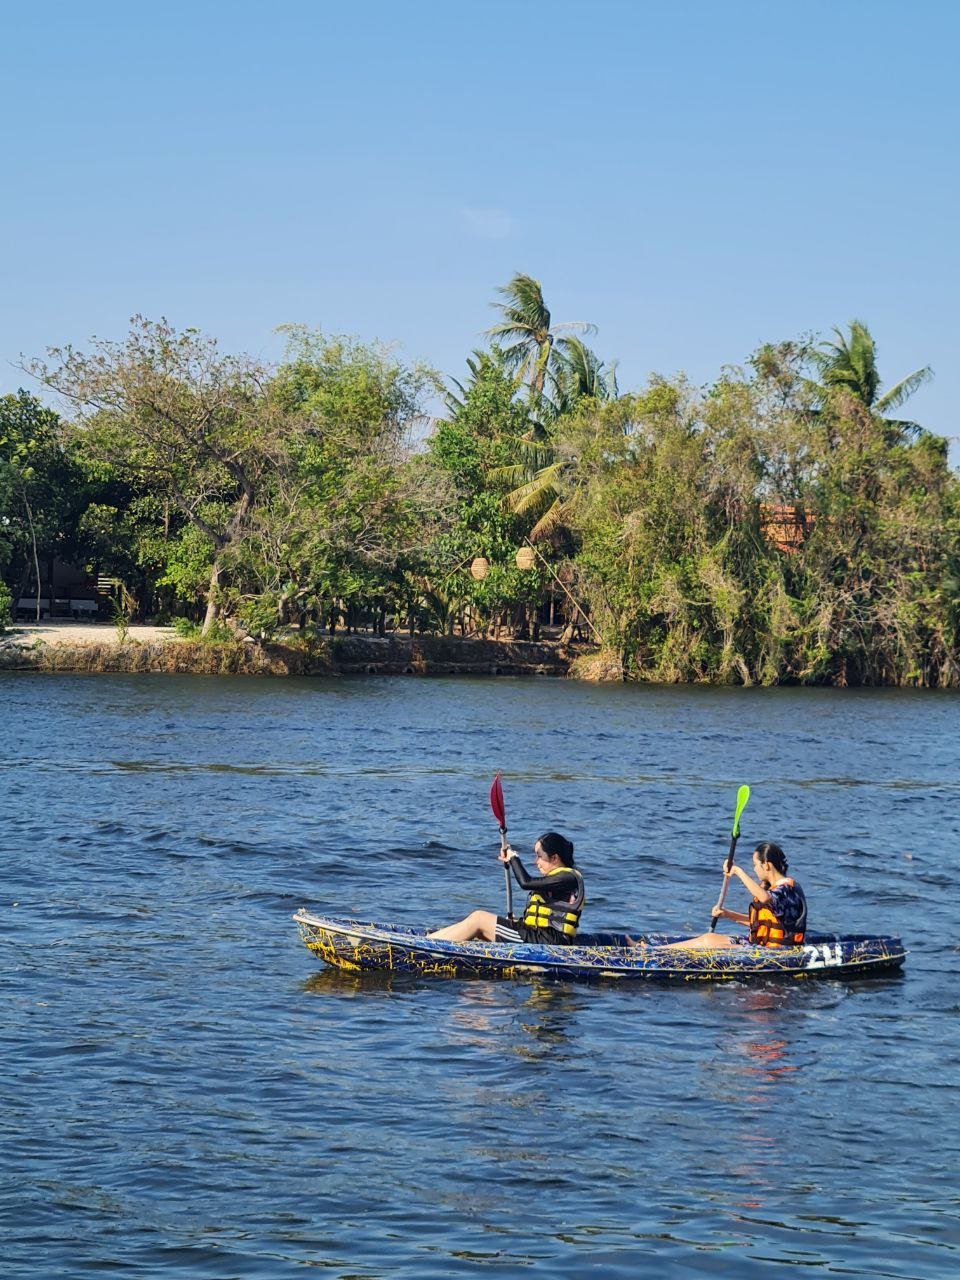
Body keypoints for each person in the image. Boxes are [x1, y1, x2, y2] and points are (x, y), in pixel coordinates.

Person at [427, 832, 585, 945]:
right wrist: (518, 922)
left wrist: (513, 858)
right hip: (537, 936)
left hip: (547, 942)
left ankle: (428, 947)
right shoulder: (558, 878)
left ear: (555, 858)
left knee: (479, 919)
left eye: (539, 856)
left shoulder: (568, 878)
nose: (536, 861)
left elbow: (526, 882)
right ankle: (430, 939)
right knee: (477, 926)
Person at [658, 841, 807, 950]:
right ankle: (652, 950)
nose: (754, 869)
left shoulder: (788, 889)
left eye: (755, 865)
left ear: (766, 865)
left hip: (776, 953)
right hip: (760, 948)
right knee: (709, 938)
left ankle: (652, 953)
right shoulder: (776, 889)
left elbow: (765, 898)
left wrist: (738, 871)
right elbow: (758, 923)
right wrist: (727, 914)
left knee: (708, 941)